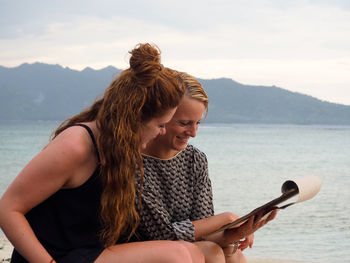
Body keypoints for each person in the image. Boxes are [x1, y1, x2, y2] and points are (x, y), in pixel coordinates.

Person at [0, 44, 205, 263]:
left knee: (191, 252)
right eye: (160, 125)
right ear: (135, 118)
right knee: (177, 256)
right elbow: (8, 209)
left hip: (88, 252)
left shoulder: (118, 146)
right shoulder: (76, 145)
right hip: (54, 257)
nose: (162, 132)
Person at [137, 72, 277, 263]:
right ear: (161, 116)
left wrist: (234, 235)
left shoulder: (195, 159)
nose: (193, 133)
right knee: (212, 252)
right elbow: (161, 234)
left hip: (183, 248)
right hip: (141, 249)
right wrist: (225, 218)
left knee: (233, 253)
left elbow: (204, 229)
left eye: (198, 123)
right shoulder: (134, 164)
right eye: (184, 123)